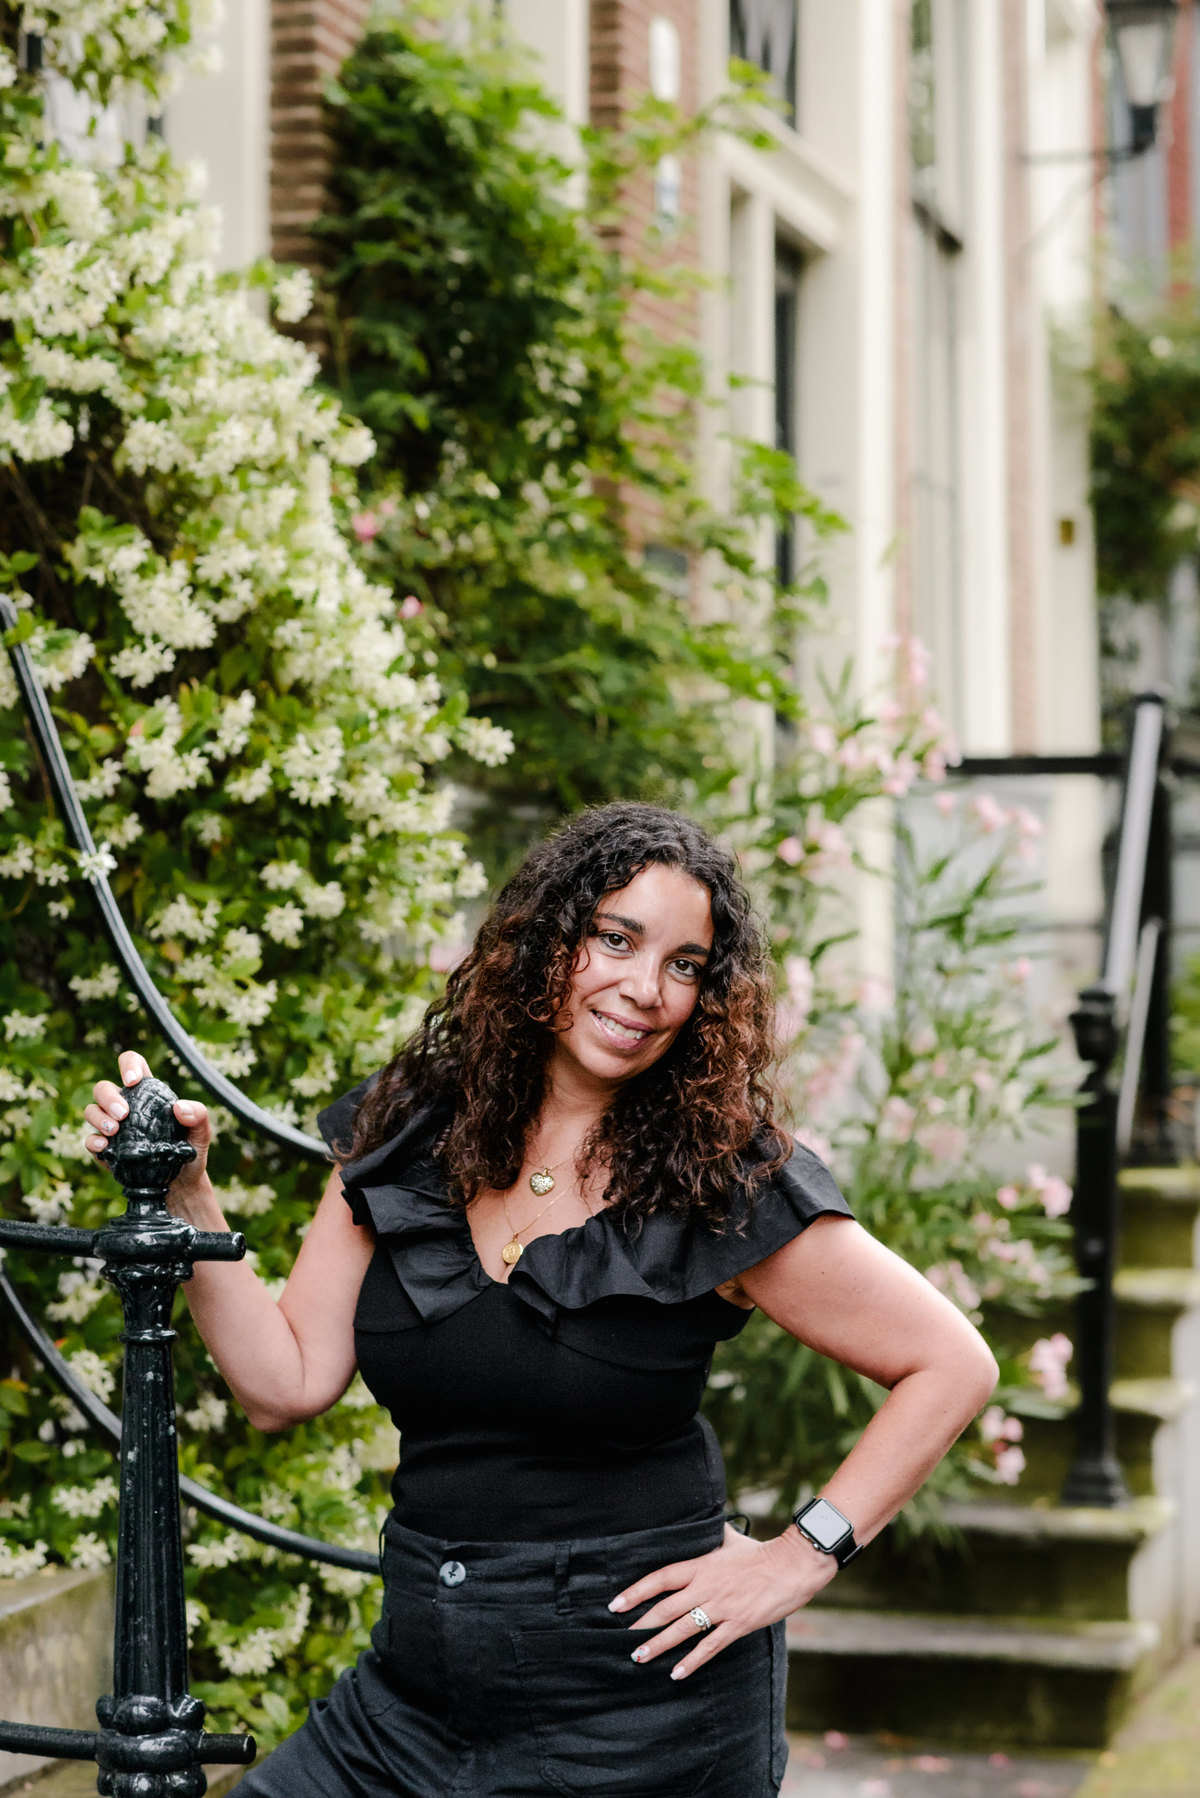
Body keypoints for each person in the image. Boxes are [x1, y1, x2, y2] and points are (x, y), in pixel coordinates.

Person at [83, 802, 998, 1798]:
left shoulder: (719, 1178)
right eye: (616, 938)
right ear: (545, 941)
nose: (646, 989)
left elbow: (951, 1362)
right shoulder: (413, 1130)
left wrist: (799, 1557)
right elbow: (283, 1380)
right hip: (411, 1700)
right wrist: (186, 1190)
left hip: (639, 1710)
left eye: (685, 964)